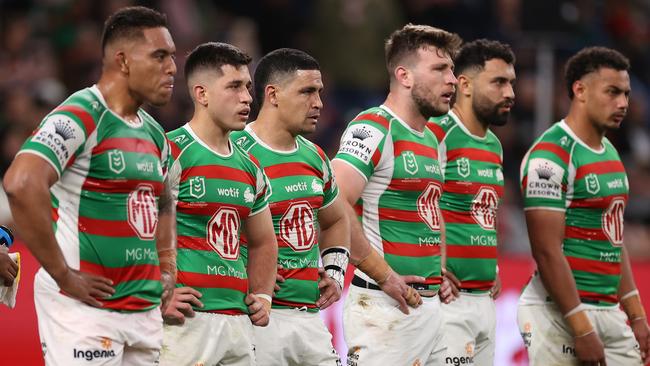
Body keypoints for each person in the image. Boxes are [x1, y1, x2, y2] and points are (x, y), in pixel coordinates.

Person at [2, 6, 177, 365]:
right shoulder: (81, 114)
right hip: (83, 311)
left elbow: (163, 201)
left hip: (143, 312)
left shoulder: (154, 133)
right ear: (123, 61)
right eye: (160, 56)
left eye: (172, 56)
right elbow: (20, 183)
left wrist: (167, 265)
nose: (172, 68)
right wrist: (63, 275)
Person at [331, 24, 462, 366]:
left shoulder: (431, 137)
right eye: (439, 69)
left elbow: (429, 209)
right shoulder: (373, 127)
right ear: (404, 75)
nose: (452, 79)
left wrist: (440, 266)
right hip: (383, 309)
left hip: (429, 309)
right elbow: (333, 201)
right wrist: (383, 274)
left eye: (452, 69)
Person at [517, 46, 650, 365]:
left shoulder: (610, 153)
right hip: (559, 312)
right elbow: (547, 251)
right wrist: (581, 328)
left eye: (626, 94)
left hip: (607, 309)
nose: (622, 103)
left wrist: (636, 313)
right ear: (580, 90)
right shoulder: (550, 156)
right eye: (612, 92)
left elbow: (613, 240)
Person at [160, 42, 277, 366]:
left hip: (238, 321)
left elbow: (264, 240)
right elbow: (137, 230)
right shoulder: (170, 152)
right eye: (234, 87)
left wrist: (263, 295)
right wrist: (158, 293)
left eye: (248, 87)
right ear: (202, 94)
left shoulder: (250, 166)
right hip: (185, 322)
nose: (247, 98)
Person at [231, 48, 350, 366]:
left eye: (320, 92)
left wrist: (336, 272)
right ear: (273, 94)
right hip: (257, 320)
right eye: (307, 91)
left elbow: (337, 220)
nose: (319, 103)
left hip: (310, 318)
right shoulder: (235, 152)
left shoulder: (315, 156)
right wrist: (245, 274)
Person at [428, 39, 515, 365]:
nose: (510, 93)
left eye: (511, 83)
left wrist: (490, 265)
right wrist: (434, 266)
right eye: (498, 82)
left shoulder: (494, 144)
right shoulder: (438, 132)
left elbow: (482, 213)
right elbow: (422, 204)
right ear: (463, 84)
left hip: (485, 299)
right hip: (448, 302)